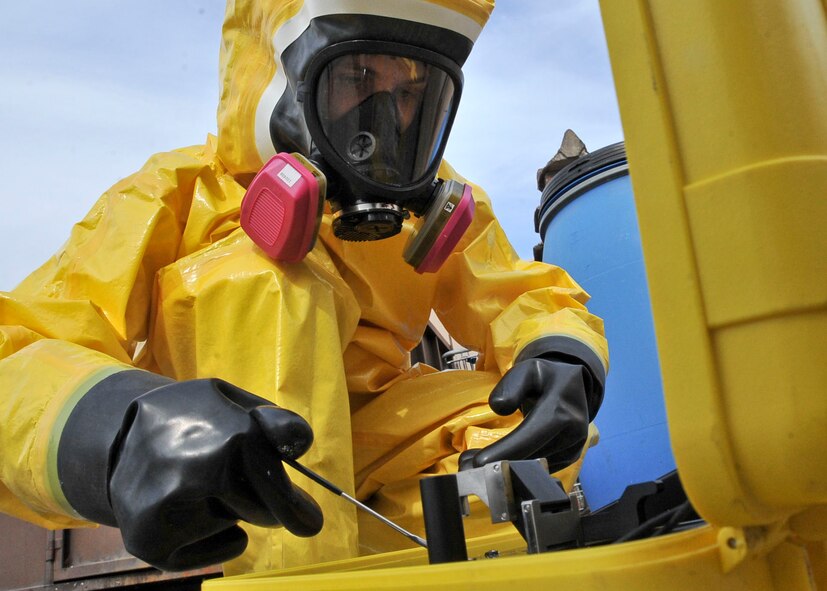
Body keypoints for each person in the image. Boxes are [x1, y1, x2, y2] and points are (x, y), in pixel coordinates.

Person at [0, 0, 608, 576]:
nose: (386, 116)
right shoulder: (174, 195)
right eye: (361, 75)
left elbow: (522, 293)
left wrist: (560, 351)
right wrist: (117, 431)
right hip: (229, 455)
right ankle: (288, 578)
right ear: (280, 77)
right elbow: (15, 355)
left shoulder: (433, 199)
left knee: (521, 438)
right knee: (263, 280)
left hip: (378, 441)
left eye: (410, 92)